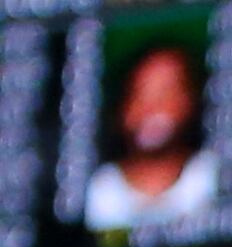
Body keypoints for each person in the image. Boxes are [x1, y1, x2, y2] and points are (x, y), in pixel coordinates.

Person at [81, 41, 215, 231]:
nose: (153, 108)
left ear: (191, 100)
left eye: (166, 92)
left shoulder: (212, 176)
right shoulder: (98, 191)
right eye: (141, 94)